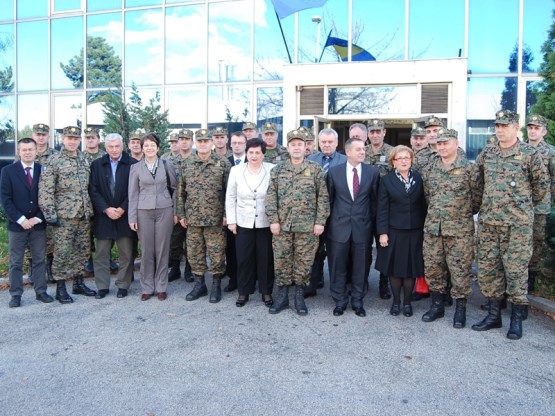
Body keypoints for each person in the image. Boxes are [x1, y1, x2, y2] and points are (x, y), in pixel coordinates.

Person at [472, 110, 549, 340]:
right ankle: (494, 315)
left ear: (516, 127)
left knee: (516, 272)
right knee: (489, 270)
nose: (500, 129)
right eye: (497, 125)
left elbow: (541, 187)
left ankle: (516, 320)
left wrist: (521, 207)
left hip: (517, 225)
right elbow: (478, 183)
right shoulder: (488, 152)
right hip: (489, 224)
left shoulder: (529, 154)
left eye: (505, 125)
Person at [421, 129, 481, 328]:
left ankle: (460, 310)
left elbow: (477, 199)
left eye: (446, 143)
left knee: (460, 270)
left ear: (456, 143)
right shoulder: (430, 168)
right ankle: (437, 306)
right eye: (439, 143)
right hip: (433, 229)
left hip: (459, 230)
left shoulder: (469, 169)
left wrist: (458, 215)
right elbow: (428, 196)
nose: (442, 147)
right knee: (433, 268)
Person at [266, 129, 329, 315]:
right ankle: (283, 297)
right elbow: (271, 197)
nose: (296, 147)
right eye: (293, 144)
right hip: (283, 226)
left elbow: (323, 198)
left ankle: (299, 297)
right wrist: (273, 220)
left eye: (300, 144)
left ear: (305, 146)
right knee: (282, 260)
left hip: (308, 226)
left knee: (304, 261)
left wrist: (320, 222)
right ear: (288, 147)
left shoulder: (315, 169)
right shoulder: (278, 170)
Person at [39, 126, 97, 303]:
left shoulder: (84, 159)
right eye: (69, 138)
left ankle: (78, 283)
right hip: (63, 216)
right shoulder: (54, 160)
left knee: (82, 250)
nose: (72, 141)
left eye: (75, 138)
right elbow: (46, 190)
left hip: (84, 214)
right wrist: (50, 214)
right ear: (62, 139)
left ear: (79, 140)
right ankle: (60, 287)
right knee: (62, 252)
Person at [327, 137, 379, 317]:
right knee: (337, 266)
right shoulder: (334, 173)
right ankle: (340, 301)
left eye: (363, 149)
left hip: (362, 229)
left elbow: (374, 203)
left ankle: (358, 301)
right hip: (338, 228)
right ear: (348, 152)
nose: (362, 152)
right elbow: (330, 201)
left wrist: (371, 226)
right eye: (358, 149)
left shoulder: (373, 173)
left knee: (361, 268)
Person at [177, 128, 231, 303]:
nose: (203, 144)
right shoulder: (187, 163)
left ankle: (216, 285)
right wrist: (181, 213)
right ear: (195, 143)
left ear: (212, 143)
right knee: (194, 253)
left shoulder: (222, 163)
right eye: (199, 141)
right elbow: (180, 192)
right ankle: (200, 285)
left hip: (215, 219)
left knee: (216, 253)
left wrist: (226, 214)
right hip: (193, 218)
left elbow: (229, 192)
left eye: (206, 141)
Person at [1, 138, 54, 307]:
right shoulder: (8, 171)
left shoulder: (43, 170)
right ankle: (15, 294)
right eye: (24, 150)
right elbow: (5, 199)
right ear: (19, 151)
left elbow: (48, 196)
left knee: (39, 259)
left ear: (36, 151)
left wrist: (38, 217)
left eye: (31, 149)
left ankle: (41, 291)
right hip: (17, 225)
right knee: (16, 262)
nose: (28, 152)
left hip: (38, 223)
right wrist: (22, 220)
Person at [376, 145, 426, 317]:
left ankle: (407, 303)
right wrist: (383, 232)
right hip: (394, 231)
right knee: (396, 269)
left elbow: (424, 205)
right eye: (400, 158)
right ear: (393, 162)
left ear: (411, 160)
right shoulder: (387, 180)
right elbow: (382, 208)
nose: (404, 161)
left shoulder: (419, 178)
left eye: (407, 157)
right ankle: (396, 302)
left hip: (415, 230)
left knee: (411, 269)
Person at [225, 139, 275, 307]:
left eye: (257, 153)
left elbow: (276, 196)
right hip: (243, 222)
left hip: (265, 222)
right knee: (244, 258)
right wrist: (231, 221)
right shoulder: (236, 170)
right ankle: (243, 292)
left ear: (263, 154)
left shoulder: (272, 170)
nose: (254, 156)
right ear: (247, 153)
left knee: (265, 258)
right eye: (251, 152)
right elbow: (230, 197)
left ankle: (266, 292)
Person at [128, 133, 177, 301]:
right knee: (147, 250)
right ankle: (147, 287)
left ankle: (161, 286)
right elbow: (133, 194)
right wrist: (132, 218)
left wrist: (176, 212)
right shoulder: (136, 168)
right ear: (142, 148)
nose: (149, 148)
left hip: (165, 210)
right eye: (146, 145)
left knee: (162, 250)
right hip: (144, 212)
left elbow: (175, 189)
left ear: (158, 147)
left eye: (152, 145)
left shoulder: (166, 164)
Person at [89, 133, 138, 299]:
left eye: (117, 146)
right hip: (104, 216)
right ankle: (102, 286)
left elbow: (136, 190)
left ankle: (123, 285)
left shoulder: (133, 164)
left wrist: (123, 208)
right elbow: (93, 190)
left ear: (122, 146)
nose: (114, 150)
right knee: (101, 254)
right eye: (111, 146)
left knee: (126, 254)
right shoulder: (97, 165)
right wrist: (106, 209)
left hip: (125, 216)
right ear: (106, 147)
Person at [305, 128, 347, 297]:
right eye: (323, 142)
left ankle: (338, 288)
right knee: (314, 251)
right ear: (318, 143)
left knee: (336, 252)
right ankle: (312, 283)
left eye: (330, 142)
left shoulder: (344, 160)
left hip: (338, 214)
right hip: (315, 214)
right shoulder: (310, 160)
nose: (327, 145)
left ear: (337, 143)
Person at [364, 119, 394, 300]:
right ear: (368, 133)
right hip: (365, 208)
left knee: (385, 248)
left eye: (378, 131)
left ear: (384, 132)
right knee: (363, 248)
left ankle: (385, 283)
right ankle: (363, 281)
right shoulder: (362, 151)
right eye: (372, 131)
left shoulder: (392, 152)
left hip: (385, 209)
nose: (375, 134)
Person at [525, 115, 554, 293]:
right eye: (530, 127)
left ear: (544, 131)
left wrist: (545, 198)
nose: (533, 131)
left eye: (537, 128)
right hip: (519, 206)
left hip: (539, 206)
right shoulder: (519, 149)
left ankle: (531, 278)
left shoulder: (551, 152)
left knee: (536, 242)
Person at [167, 129, 195, 283]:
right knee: (175, 240)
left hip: (193, 207)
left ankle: (189, 269)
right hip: (174, 206)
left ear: (192, 141)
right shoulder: (170, 161)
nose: (184, 142)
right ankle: (175, 268)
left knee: (191, 241)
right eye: (181, 139)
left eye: (187, 139)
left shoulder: (197, 160)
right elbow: (168, 187)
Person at [222, 132, 248, 293]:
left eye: (240, 142)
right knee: (231, 248)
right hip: (230, 213)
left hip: (248, 212)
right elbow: (223, 191)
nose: (237, 145)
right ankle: (233, 278)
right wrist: (226, 214)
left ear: (246, 144)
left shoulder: (253, 159)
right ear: (230, 144)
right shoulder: (225, 162)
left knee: (247, 249)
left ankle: (249, 277)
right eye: (234, 143)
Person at [32, 123, 57, 283]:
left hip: (49, 201)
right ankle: (33, 269)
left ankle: (49, 268)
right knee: (31, 236)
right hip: (30, 201)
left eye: (43, 134)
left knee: (49, 237)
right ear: (34, 135)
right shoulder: (26, 153)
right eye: (38, 134)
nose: (40, 137)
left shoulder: (55, 155)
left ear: (48, 136)